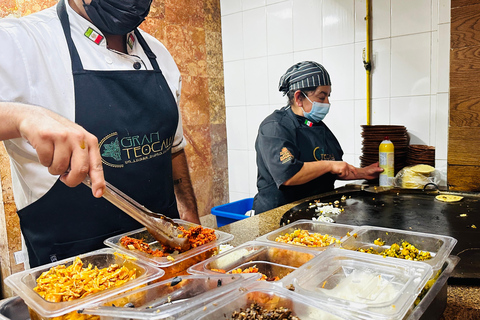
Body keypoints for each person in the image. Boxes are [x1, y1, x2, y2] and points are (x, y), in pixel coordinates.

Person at [0, 0, 200, 268]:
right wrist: (21, 116)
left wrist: (190, 218)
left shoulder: (160, 54)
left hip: (166, 262)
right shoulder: (20, 41)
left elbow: (173, 148)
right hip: (74, 275)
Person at [253, 61, 383, 214]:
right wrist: (329, 165)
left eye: (328, 96)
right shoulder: (275, 127)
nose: (327, 103)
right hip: (278, 214)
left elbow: (335, 167)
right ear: (299, 98)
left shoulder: (316, 126)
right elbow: (289, 175)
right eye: (322, 97)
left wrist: (364, 172)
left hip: (315, 211)